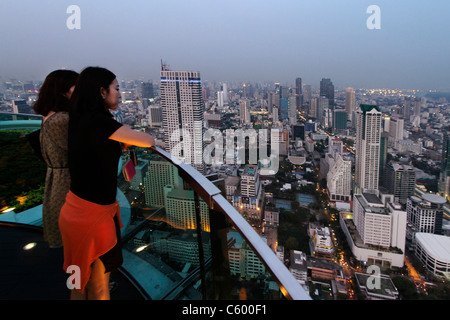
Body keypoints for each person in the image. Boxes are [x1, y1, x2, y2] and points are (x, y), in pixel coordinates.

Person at [59, 67, 155, 300]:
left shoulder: (79, 117)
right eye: (117, 89)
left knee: (77, 283)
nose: (120, 94)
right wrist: (124, 138)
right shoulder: (98, 121)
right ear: (102, 92)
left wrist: (117, 143)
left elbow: (94, 146)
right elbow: (147, 140)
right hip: (94, 218)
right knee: (100, 287)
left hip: (74, 211)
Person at [32, 69, 79, 248]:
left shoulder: (50, 115)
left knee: (72, 247)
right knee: (78, 245)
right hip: (69, 185)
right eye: (78, 87)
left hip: (58, 182)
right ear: (63, 91)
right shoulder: (62, 119)